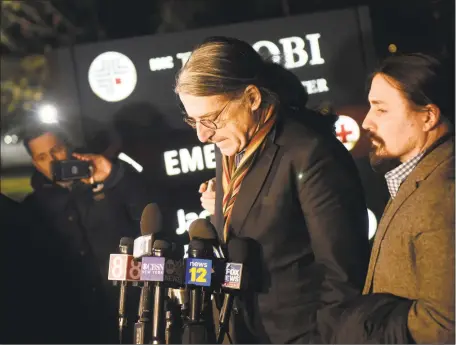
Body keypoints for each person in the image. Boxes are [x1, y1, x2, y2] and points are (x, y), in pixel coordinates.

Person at [175, 36, 370, 343]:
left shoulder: (310, 152)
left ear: (252, 97)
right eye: (193, 121)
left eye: (210, 119)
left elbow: (342, 275)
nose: (202, 135)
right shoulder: (231, 146)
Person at [326, 53, 455, 344]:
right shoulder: (417, 181)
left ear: (428, 117)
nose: (367, 122)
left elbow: (446, 324)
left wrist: (364, 329)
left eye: (381, 110)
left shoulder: (443, 196)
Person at [21, 127, 154, 343]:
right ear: (36, 164)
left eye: (56, 150)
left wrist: (112, 177)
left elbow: (150, 210)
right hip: (80, 319)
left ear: (69, 147)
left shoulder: (110, 175)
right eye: (43, 157)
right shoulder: (33, 208)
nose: (53, 160)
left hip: (133, 304)